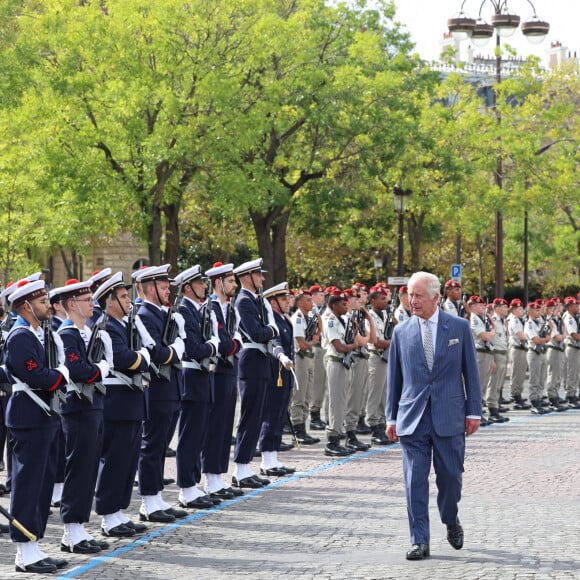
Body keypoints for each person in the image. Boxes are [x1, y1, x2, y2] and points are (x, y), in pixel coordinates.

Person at [386, 271, 481, 561]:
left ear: (436, 298)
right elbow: (395, 378)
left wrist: (474, 410)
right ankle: (419, 540)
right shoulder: (401, 332)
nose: (411, 301)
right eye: (409, 295)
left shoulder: (459, 327)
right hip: (412, 417)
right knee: (414, 479)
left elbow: (471, 373)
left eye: (418, 295)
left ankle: (450, 518)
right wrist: (391, 417)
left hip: (450, 414)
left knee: (451, 478)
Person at [4, 279, 70, 574]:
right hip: (28, 417)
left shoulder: (37, 334)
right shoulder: (20, 337)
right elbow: (37, 376)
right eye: (42, 302)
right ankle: (24, 550)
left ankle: (35, 544)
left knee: (43, 484)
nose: (48, 306)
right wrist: (61, 374)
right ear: (26, 306)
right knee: (28, 484)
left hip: (43, 417)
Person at [56, 278, 113, 554]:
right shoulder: (68, 334)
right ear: (71, 305)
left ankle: (79, 527)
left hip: (92, 406)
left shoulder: (86, 332)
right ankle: (71, 531)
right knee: (79, 468)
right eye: (86, 299)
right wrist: (101, 368)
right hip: (78, 409)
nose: (92, 303)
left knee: (89, 467)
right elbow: (79, 370)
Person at [93, 272, 150, 537]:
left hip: (131, 399)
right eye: (124, 296)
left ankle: (118, 511)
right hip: (117, 401)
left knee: (127, 461)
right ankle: (108, 515)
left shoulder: (124, 324)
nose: (129, 300)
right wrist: (144, 356)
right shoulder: (105, 325)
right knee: (115, 459)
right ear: (109, 300)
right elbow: (123, 357)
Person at [232, 258, 292, 488]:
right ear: (247, 277)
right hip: (251, 360)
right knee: (250, 416)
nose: (263, 279)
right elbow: (257, 332)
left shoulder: (255, 301)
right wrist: (273, 329)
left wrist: (269, 330)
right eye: (258, 275)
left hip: (261, 360)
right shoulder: (244, 301)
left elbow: (264, 331)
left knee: (258, 415)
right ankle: (241, 468)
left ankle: (247, 466)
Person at [135, 265, 188, 522]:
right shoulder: (145, 314)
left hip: (171, 387)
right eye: (163, 285)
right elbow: (157, 352)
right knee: (152, 445)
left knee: (161, 445)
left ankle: (156, 496)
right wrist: (178, 347)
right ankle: (148, 500)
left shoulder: (164, 314)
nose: (168, 289)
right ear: (149, 288)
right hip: (157, 390)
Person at [173, 265, 219, 510]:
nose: (204, 286)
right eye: (200, 283)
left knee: (198, 433)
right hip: (191, 377)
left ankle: (193, 483)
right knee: (190, 435)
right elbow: (194, 348)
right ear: (188, 287)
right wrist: (212, 346)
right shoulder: (183, 311)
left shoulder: (197, 311)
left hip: (201, 377)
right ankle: (186, 488)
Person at [201, 262, 244, 500]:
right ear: (217, 283)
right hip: (217, 371)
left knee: (226, 424)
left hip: (229, 368)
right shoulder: (212, 307)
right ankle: (211, 477)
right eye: (230, 281)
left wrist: (234, 342)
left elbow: (232, 341)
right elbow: (227, 343)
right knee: (216, 425)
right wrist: (235, 342)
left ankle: (218, 475)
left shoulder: (228, 308)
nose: (234, 285)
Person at [258, 282, 297, 476]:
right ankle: (267, 460)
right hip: (275, 374)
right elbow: (275, 343)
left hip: (285, 374)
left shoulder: (284, 319)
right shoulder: (272, 320)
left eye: (288, 298)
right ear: (272, 302)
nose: (288, 302)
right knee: (271, 416)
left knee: (279, 416)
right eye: (283, 299)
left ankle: (273, 458)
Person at [289, 290, 321, 445]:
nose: (311, 303)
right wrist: (313, 342)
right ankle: (298, 428)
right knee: (299, 395)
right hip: (301, 358)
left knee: (308, 395)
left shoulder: (307, 318)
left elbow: (317, 333)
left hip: (309, 358)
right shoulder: (298, 319)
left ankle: (304, 429)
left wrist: (314, 339)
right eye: (308, 300)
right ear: (300, 302)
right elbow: (302, 344)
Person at [506, 299, 531, 410]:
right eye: (520, 309)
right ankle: (516, 397)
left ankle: (518, 395)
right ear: (514, 310)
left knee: (520, 374)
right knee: (517, 374)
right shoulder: (515, 321)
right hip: (518, 349)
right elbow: (522, 336)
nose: (522, 311)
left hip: (522, 349)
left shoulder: (519, 320)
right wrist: (533, 336)